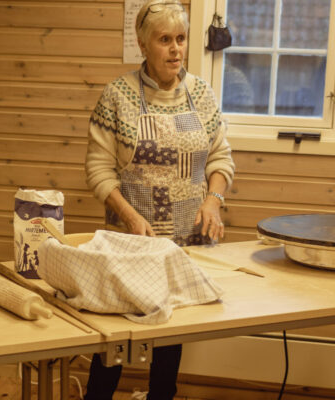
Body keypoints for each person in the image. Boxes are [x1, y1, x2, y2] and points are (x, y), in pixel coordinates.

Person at [84, 1, 235, 399]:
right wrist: (131, 218)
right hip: (131, 242)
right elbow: (98, 171)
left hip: (185, 241)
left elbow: (220, 158)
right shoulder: (117, 97)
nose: (175, 49)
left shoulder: (202, 96)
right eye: (164, 39)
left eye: (180, 39)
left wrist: (213, 200)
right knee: (112, 343)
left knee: (170, 343)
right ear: (142, 44)